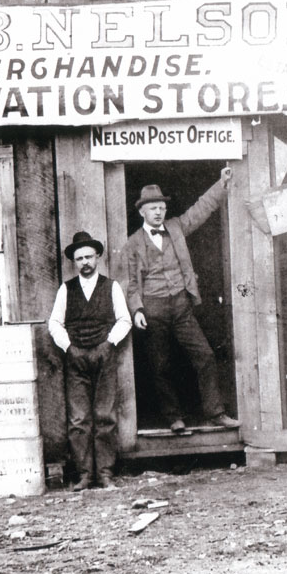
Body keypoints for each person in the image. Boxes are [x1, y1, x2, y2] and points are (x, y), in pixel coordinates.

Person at [123, 169, 239, 433]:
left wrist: (221, 183)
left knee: (205, 356)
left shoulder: (176, 227)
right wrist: (137, 309)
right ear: (142, 211)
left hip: (180, 305)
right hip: (152, 307)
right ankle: (173, 416)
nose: (158, 212)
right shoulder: (133, 243)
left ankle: (215, 412)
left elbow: (201, 209)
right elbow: (130, 283)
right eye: (153, 208)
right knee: (160, 365)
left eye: (162, 207)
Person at [48, 230, 132, 491]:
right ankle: (85, 475)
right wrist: (69, 347)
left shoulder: (111, 286)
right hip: (76, 360)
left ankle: (105, 473)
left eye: (88, 257)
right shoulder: (66, 289)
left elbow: (125, 319)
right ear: (74, 262)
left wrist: (109, 344)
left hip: (104, 357)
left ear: (97, 258)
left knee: (105, 416)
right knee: (79, 420)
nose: (84, 262)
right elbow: (54, 323)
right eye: (79, 258)